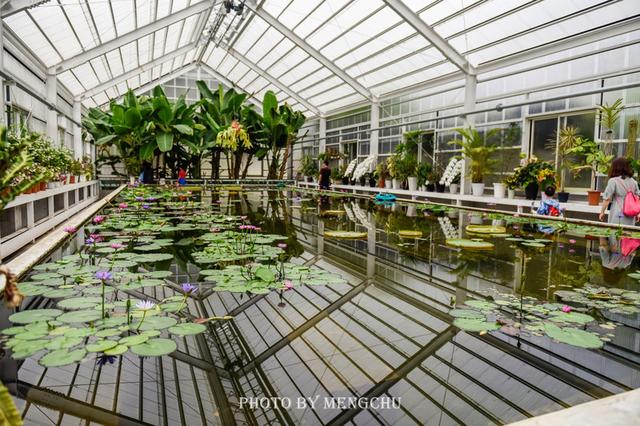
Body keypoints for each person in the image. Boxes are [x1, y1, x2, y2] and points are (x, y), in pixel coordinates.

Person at [599, 157, 640, 225]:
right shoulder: (634, 182)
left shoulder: (613, 181)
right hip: (631, 213)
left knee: (615, 232)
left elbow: (607, 198)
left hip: (617, 211)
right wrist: (638, 213)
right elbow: (638, 198)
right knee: (628, 233)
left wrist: (602, 212)